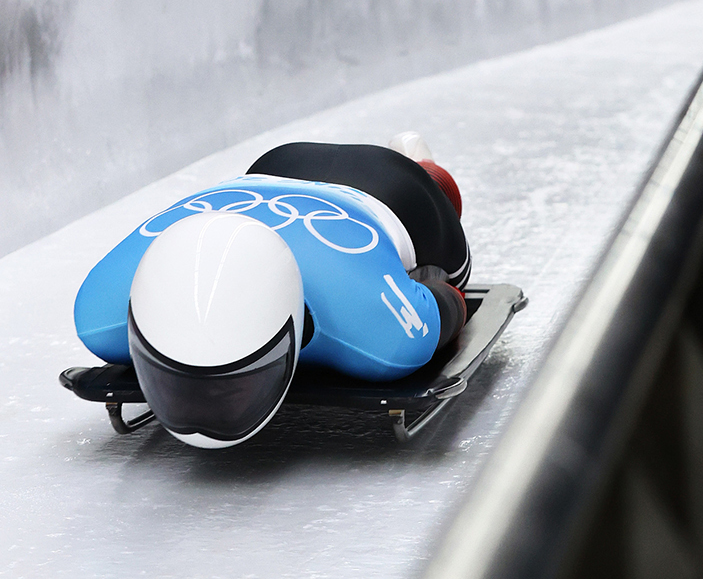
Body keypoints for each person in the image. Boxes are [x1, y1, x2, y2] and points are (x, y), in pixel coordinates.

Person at [73, 133, 469, 449]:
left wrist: (417, 287)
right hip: (273, 168)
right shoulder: (96, 312)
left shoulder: (383, 339)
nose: (201, 410)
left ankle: (427, 169)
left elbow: (452, 299)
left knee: (454, 269)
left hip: (395, 187)